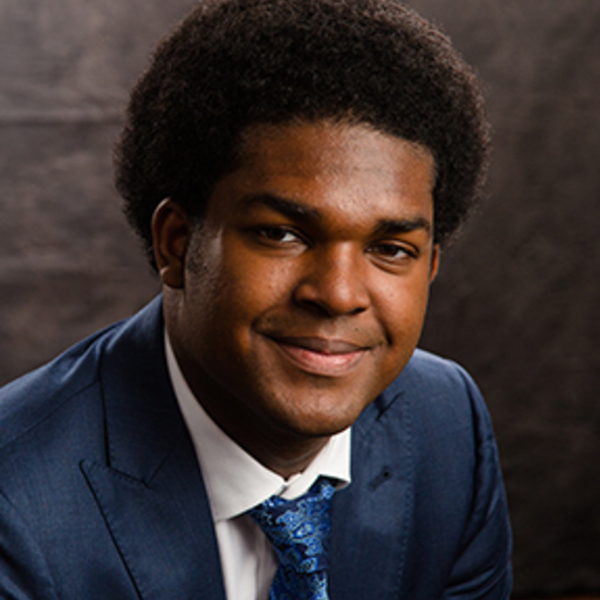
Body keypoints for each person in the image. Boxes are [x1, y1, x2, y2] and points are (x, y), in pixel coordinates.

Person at [0, 0, 512, 598]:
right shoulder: (16, 506)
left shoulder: (446, 424)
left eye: (391, 248)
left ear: (430, 266)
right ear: (176, 243)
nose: (339, 294)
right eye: (282, 234)